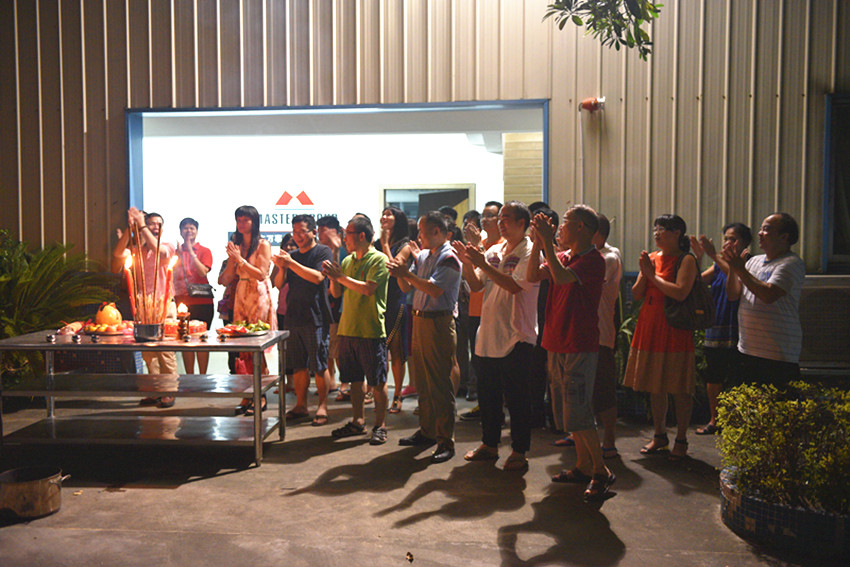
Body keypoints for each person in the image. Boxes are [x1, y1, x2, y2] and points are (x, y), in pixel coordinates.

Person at [528, 204, 613, 500]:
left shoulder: (593, 260)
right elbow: (532, 275)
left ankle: (601, 471)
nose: (560, 227)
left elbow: (563, 277)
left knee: (578, 411)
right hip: (556, 341)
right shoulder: (564, 256)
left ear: (581, 227)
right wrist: (539, 243)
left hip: (578, 343)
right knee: (567, 412)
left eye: (565, 222)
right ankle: (583, 465)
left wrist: (547, 243)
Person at [456, 201, 539, 471]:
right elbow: (477, 285)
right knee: (488, 397)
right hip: (489, 334)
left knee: (517, 399)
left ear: (522, 223)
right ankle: (489, 444)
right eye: (499, 219)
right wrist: (467, 263)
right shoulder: (493, 251)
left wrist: (482, 262)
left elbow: (514, 286)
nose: (501, 223)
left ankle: (519, 450)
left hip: (517, 335)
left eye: (506, 219)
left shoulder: (530, 251)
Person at [389, 211, 462, 463]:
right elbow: (406, 287)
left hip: (438, 322)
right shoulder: (424, 256)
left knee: (440, 384)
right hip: (420, 319)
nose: (418, 236)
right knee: (422, 381)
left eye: (422, 231)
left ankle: (445, 440)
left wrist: (406, 274)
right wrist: (401, 273)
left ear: (437, 232)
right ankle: (427, 431)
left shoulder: (449, 258)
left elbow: (433, 289)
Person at [623, 214, 697, 461]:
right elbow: (637, 294)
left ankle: (682, 439)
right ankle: (659, 435)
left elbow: (680, 292)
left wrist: (652, 276)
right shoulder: (652, 258)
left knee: (679, 387)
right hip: (650, 325)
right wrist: (645, 273)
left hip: (674, 328)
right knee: (655, 385)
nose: (656, 233)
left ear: (677, 233)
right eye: (655, 228)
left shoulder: (686, 259)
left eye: (662, 229)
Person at [322, 215, 391, 445]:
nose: (345, 239)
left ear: (362, 236)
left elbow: (369, 289)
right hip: (347, 327)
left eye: (348, 234)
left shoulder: (378, 259)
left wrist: (340, 277)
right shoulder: (348, 260)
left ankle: (380, 425)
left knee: (377, 381)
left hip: (370, 330)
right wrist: (334, 277)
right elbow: (336, 293)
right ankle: (358, 421)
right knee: (354, 380)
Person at [722, 213, 805, 387]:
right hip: (747, 349)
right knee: (747, 401)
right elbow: (733, 294)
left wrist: (740, 269)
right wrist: (732, 267)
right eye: (760, 229)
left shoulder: (791, 263)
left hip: (776, 353)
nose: (760, 233)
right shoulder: (754, 261)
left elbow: (768, 295)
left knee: (777, 402)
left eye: (766, 229)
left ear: (784, 237)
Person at [689, 223, 752, 435]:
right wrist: (698, 259)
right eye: (726, 239)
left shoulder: (748, 263)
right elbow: (696, 283)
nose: (728, 243)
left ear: (745, 243)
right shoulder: (717, 265)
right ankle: (715, 420)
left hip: (740, 330)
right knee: (713, 376)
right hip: (716, 328)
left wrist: (714, 255)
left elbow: (739, 278)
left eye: (733, 239)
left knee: (737, 378)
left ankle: (738, 422)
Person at [272, 214, 333, 426]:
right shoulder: (292, 256)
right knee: (298, 365)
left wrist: (291, 263)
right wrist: (283, 267)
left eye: (302, 232)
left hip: (315, 315)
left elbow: (317, 277)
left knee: (319, 364)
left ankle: (322, 406)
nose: (297, 236)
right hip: (293, 315)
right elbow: (279, 284)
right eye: (295, 232)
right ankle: (301, 405)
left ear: (313, 232)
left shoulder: (323, 251)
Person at [113, 208, 177, 408]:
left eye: (158, 224)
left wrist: (142, 226)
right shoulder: (137, 249)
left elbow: (161, 253)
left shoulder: (167, 245)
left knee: (165, 351)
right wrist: (130, 228)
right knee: (148, 353)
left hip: (164, 305)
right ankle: (154, 390)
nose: (155, 227)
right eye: (151, 224)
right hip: (143, 307)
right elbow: (118, 253)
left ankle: (169, 391)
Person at [219, 205, 276, 416]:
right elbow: (226, 278)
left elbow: (261, 274)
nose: (241, 224)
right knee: (242, 348)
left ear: (254, 221)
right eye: (239, 220)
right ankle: (248, 393)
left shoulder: (263, 244)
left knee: (255, 347)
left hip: (258, 293)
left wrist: (240, 260)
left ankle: (260, 396)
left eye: (245, 220)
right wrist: (232, 260)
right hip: (240, 292)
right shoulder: (236, 245)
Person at [460, 201, 504, 420]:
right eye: (483, 216)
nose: (484, 220)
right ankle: (483, 406)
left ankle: (497, 409)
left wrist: (478, 246)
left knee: (495, 365)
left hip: (495, 310)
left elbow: (492, 269)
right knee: (478, 362)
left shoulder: (504, 245)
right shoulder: (482, 242)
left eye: (490, 215)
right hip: (475, 308)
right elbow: (471, 274)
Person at [378, 207, 414, 414]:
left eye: (389, 214)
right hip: (378, 299)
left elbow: (393, 268)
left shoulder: (405, 245)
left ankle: (397, 395)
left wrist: (384, 245)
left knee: (397, 350)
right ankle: (378, 391)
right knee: (379, 350)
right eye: (383, 214)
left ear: (398, 219)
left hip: (396, 299)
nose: (384, 217)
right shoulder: (376, 242)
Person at [591, 214, 622, 457]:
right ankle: (583, 436)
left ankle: (609, 438)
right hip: (581, 332)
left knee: (603, 388)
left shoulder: (609, 257)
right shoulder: (585, 255)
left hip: (600, 332)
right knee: (583, 388)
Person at [172, 217, 214, 374]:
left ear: (197, 231)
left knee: (202, 340)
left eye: (192, 228)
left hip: (202, 301)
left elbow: (203, 272)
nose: (188, 231)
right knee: (185, 339)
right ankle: (190, 376)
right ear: (180, 231)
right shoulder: (175, 252)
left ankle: (203, 376)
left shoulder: (204, 251)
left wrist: (190, 251)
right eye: (185, 228)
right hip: (181, 301)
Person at [317, 215, 344, 398]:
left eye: (322, 230)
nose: (319, 234)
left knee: (339, 347)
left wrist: (336, 251)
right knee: (327, 346)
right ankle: (331, 381)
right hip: (325, 305)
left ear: (333, 231)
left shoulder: (345, 250)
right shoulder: (320, 250)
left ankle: (346, 383)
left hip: (341, 305)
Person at [455, 210, 480, 400]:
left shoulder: (483, 247)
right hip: (461, 303)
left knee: (476, 347)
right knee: (460, 347)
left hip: (477, 303)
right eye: (465, 224)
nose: (467, 228)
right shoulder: (459, 247)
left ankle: (474, 386)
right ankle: (462, 384)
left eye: (471, 224)